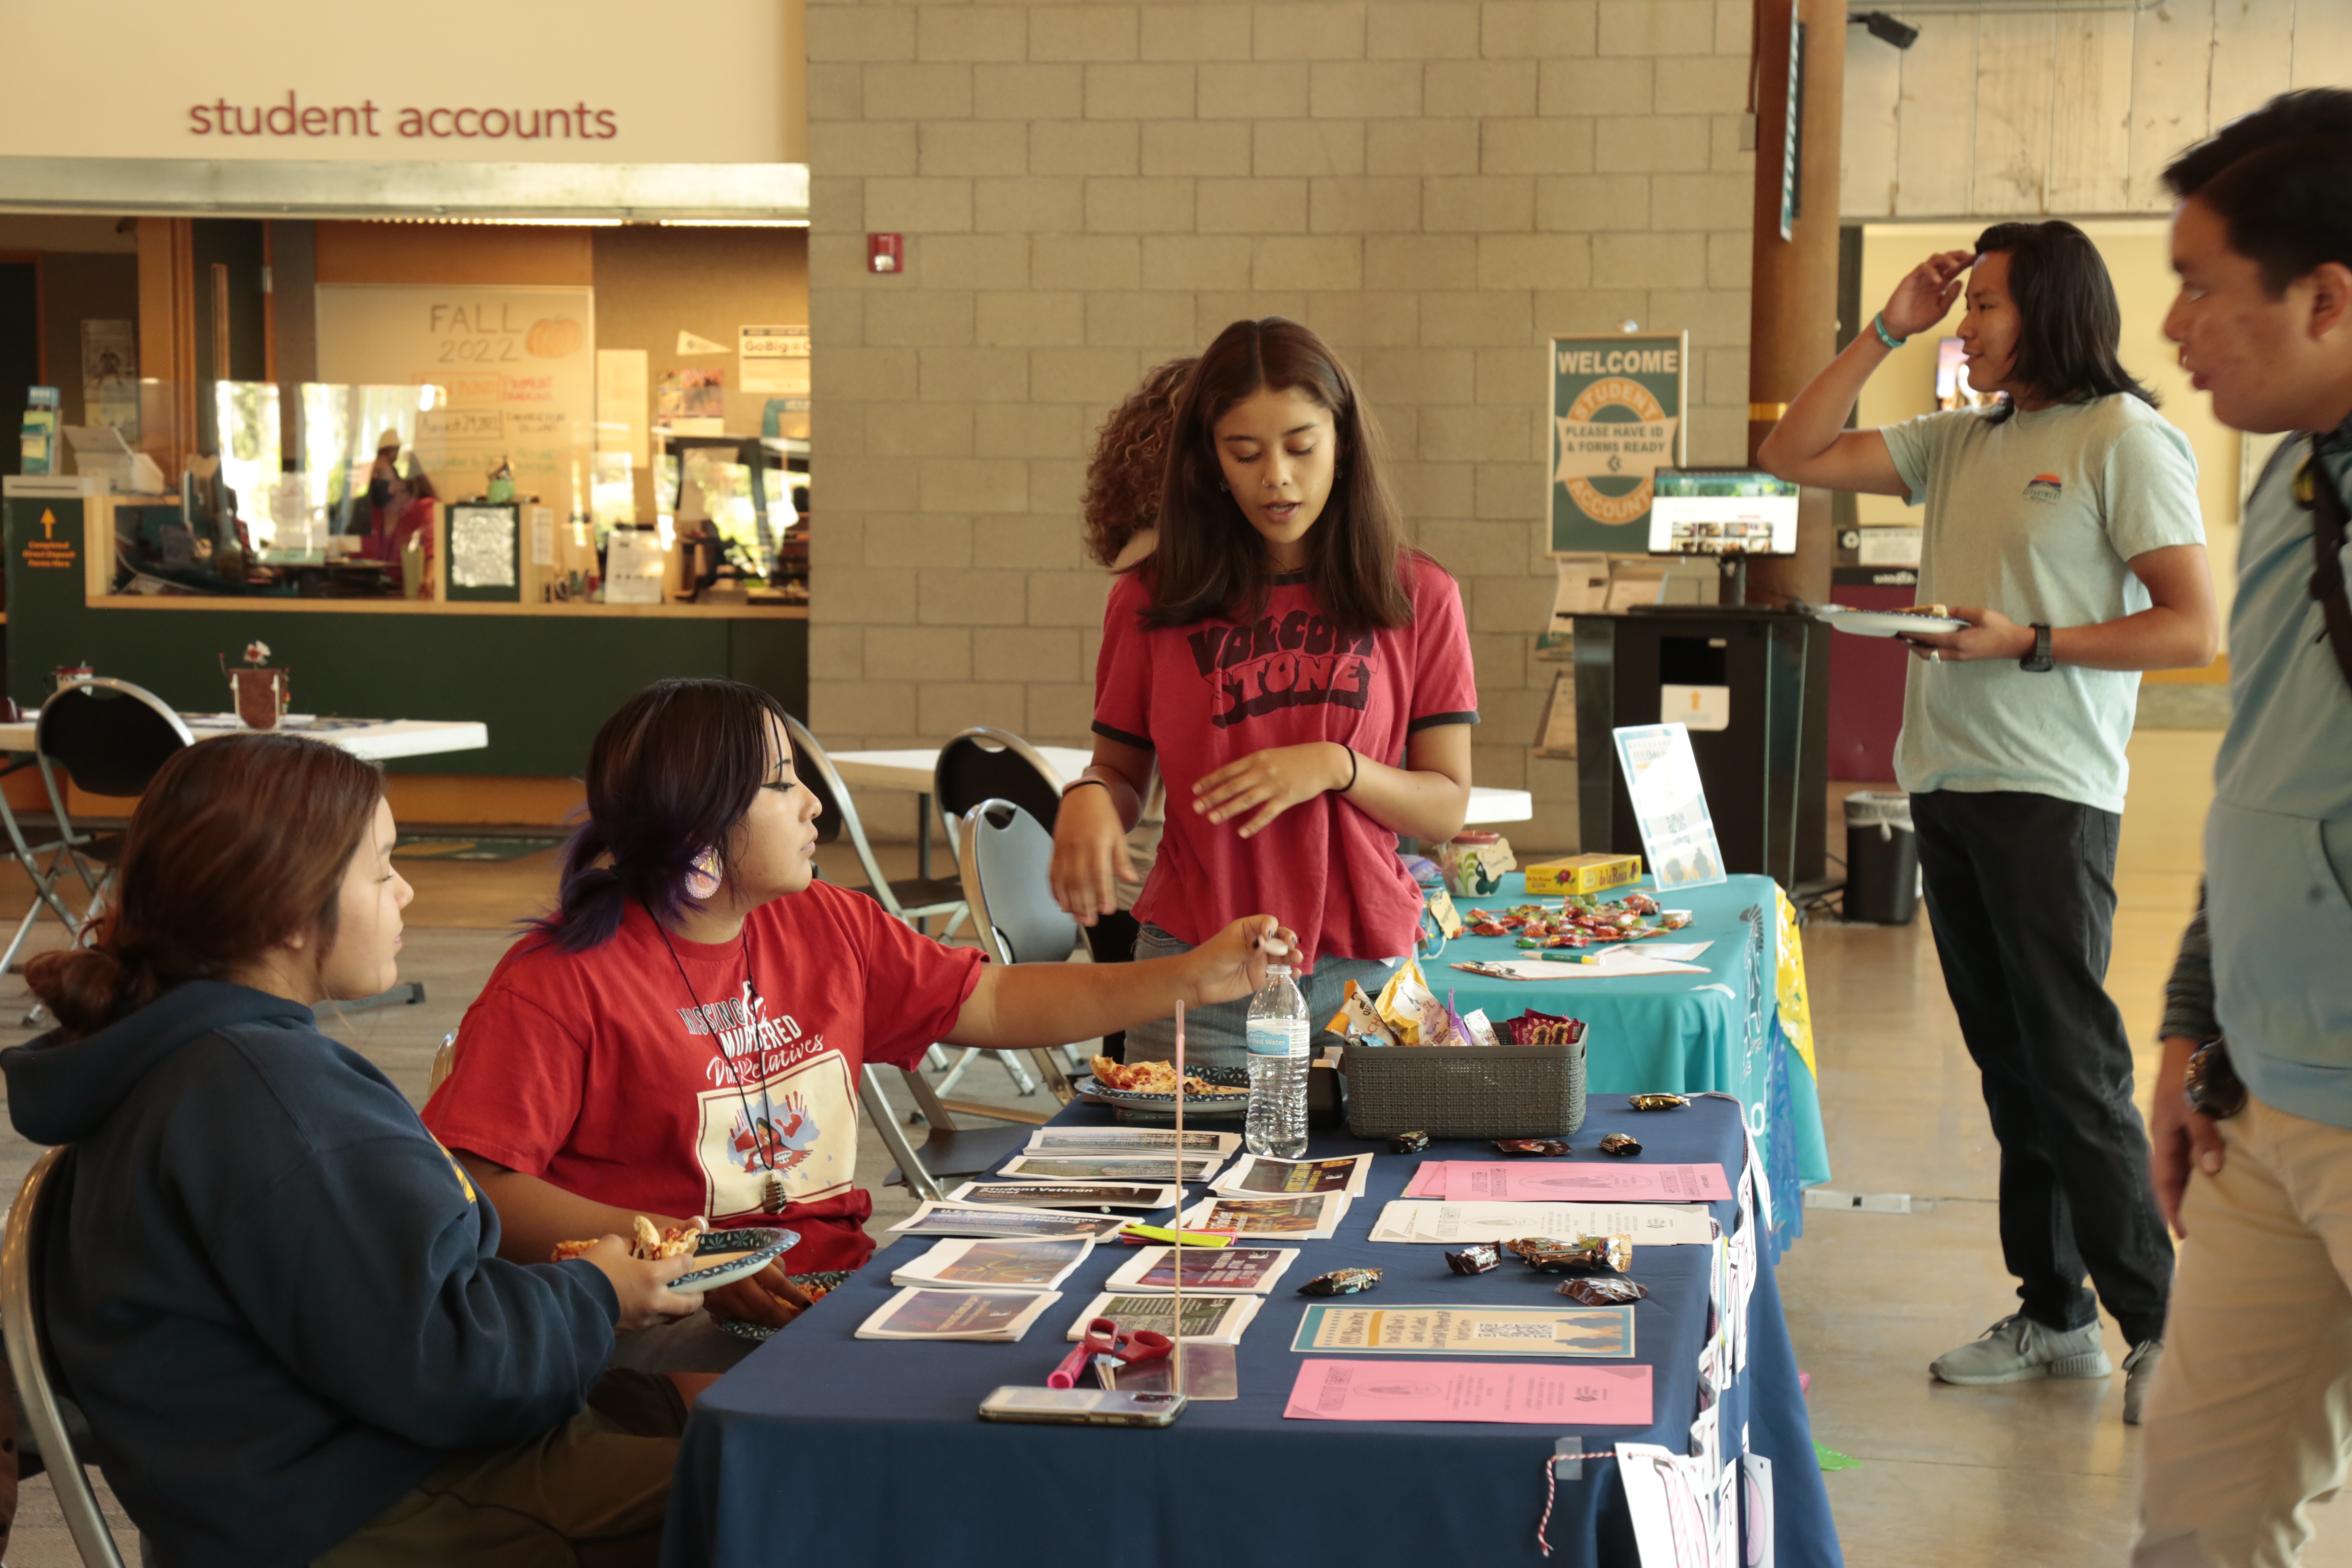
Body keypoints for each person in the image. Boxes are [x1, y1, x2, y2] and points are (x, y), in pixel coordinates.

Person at [423, 677, 1294, 1371]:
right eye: (779, 785)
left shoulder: (825, 923)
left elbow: (988, 1000)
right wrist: (695, 1254)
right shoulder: (562, 983)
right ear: (695, 823)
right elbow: (476, 1187)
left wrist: (1187, 977)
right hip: (671, 1329)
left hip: (837, 1293)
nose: (815, 808)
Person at [1, 733, 711, 1566]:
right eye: (382, 869)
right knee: (784, 1489)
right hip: (366, 1503)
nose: (407, 890)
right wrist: (597, 1292)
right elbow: (450, 1365)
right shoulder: (268, 1097)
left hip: (312, 1468)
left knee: (731, 1410)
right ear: (287, 908)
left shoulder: (191, 1060)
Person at [1759, 222, 2219, 1421]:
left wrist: (2034, 643)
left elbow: (2190, 630)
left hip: (2053, 798)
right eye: (1964, 309)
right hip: (1949, 790)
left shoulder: (2125, 439)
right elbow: (1790, 450)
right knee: (2011, 1073)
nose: (1968, 325)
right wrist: (1888, 326)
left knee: (2076, 1073)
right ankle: (2055, 1312)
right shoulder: (1965, 439)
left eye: (1988, 306)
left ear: (2055, 311)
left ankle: (2159, 1327)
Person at [2131, 88, 2352, 1565]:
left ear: (2327, 297)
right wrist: (2196, 1031)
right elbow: (2264, 781)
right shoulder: (2291, 474)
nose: (2176, 328)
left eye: (2203, 289)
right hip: (2265, 1099)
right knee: (2206, 1518)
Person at [1048, 316, 1479, 1069]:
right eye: (1244, 453)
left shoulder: (1418, 595)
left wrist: (1335, 765)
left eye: (1300, 447)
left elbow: (1445, 805)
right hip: (1201, 971)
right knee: (1193, 1186)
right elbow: (1120, 773)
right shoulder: (1149, 601)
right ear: (1211, 462)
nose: (1275, 476)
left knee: (1384, 1183)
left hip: (1366, 980)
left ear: (1342, 445)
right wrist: (1089, 797)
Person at [1074, 355, 1196, 1005]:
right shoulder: (1158, 576)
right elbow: (1124, 762)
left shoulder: (1145, 561)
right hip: (1154, 888)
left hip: (1138, 881)